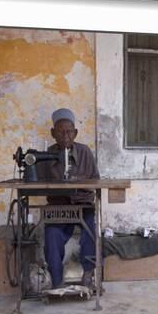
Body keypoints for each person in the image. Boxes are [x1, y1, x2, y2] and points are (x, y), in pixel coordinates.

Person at [36, 108, 100, 289]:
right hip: (59, 207)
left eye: (69, 131)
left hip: (83, 205)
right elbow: (37, 184)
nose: (65, 136)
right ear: (52, 134)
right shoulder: (47, 156)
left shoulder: (85, 152)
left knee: (90, 231)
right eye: (60, 132)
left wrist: (79, 182)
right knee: (52, 234)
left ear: (75, 133)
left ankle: (88, 274)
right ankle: (56, 279)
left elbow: (96, 179)